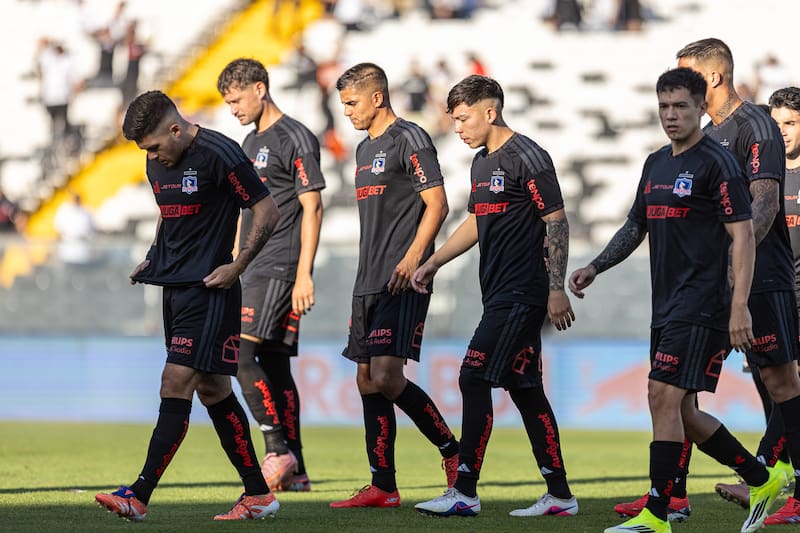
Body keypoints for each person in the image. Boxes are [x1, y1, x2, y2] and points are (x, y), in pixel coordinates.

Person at [571, 67, 788, 533]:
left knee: (661, 395)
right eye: (664, 107)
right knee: (684, 412)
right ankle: (761, 478)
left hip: (705, 302)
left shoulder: (718, 163)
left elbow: (743, 237)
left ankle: (658, 512)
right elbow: (636, 224)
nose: (671, 115)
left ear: (699, 107)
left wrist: (739, 305)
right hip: (666, 304)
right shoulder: (655, 163)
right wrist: (596, 266)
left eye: (681, 106)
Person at [94, 90, 282, 522]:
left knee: (174, 381)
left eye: (155, 146)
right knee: (213, 389)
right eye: (145, 150)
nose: (152, 156)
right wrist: (154, 255)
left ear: (176, 129)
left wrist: (238, 265)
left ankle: (138, 494)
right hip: (173, 288)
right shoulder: (155, 161)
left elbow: (267, 210)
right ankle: (258, 493)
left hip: (210, 288)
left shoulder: (220, 153)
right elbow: (169, 212)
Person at [411, 74, 578, 518]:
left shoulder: (529, 156)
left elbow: (557, 221)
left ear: (491, 112)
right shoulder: (481, 163)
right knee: (526, 389)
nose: (458, 128)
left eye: (464, 118)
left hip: (523, 294)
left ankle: (464, 490)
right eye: (454, 120)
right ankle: (560, 495)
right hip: (499, 293)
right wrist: (434, 261)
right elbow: (475, 221)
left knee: (473, 377)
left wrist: (555, 288)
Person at [676, 38, 800, 520]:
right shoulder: (705, 136)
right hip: (718, 287)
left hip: (763, 286)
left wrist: (734, 275)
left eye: (685, 74)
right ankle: (672, 495)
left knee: (782, 384)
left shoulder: (756, 128)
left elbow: (762, 211)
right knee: (674, 387)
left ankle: (770, 480)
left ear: (712, 76)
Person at [329, 62, 459, 508]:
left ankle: (453, 452)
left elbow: (438, 204)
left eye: (352, 103)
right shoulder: (364, 150)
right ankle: (383, 485)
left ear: (377, 97)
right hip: (366, 280)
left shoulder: (411, 138)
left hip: (402, 277)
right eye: (343, 104)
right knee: (367, 379)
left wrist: (413, 257)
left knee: (386, 375)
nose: (347, 111)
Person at [217, 58, 325, 492]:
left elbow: (313, 207)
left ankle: (277, 450)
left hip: (279, 266)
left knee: (241, 356)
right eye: (228, 103)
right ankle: (297, 470)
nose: (233, 110)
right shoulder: (249, 141)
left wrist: (304, 275)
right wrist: (233, 258)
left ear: (260, 89)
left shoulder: (296, 137)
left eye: (237, 100)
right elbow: (246, 209)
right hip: (254, 266)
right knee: (276, 365)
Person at [713, 87, 800, 525]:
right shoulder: (757, 174)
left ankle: (763, 474)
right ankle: (779, 478)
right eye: (776, 122)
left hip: (787, 294)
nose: (781, 131)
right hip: (764, 294)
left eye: (791, 123)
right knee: (774, 390)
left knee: (789, 387)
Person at [53, 191, 95, 266]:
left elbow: (92, 228)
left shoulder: (86, 210)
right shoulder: (64, 210)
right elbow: (58, 229)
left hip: (83, 247)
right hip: (67, 247)